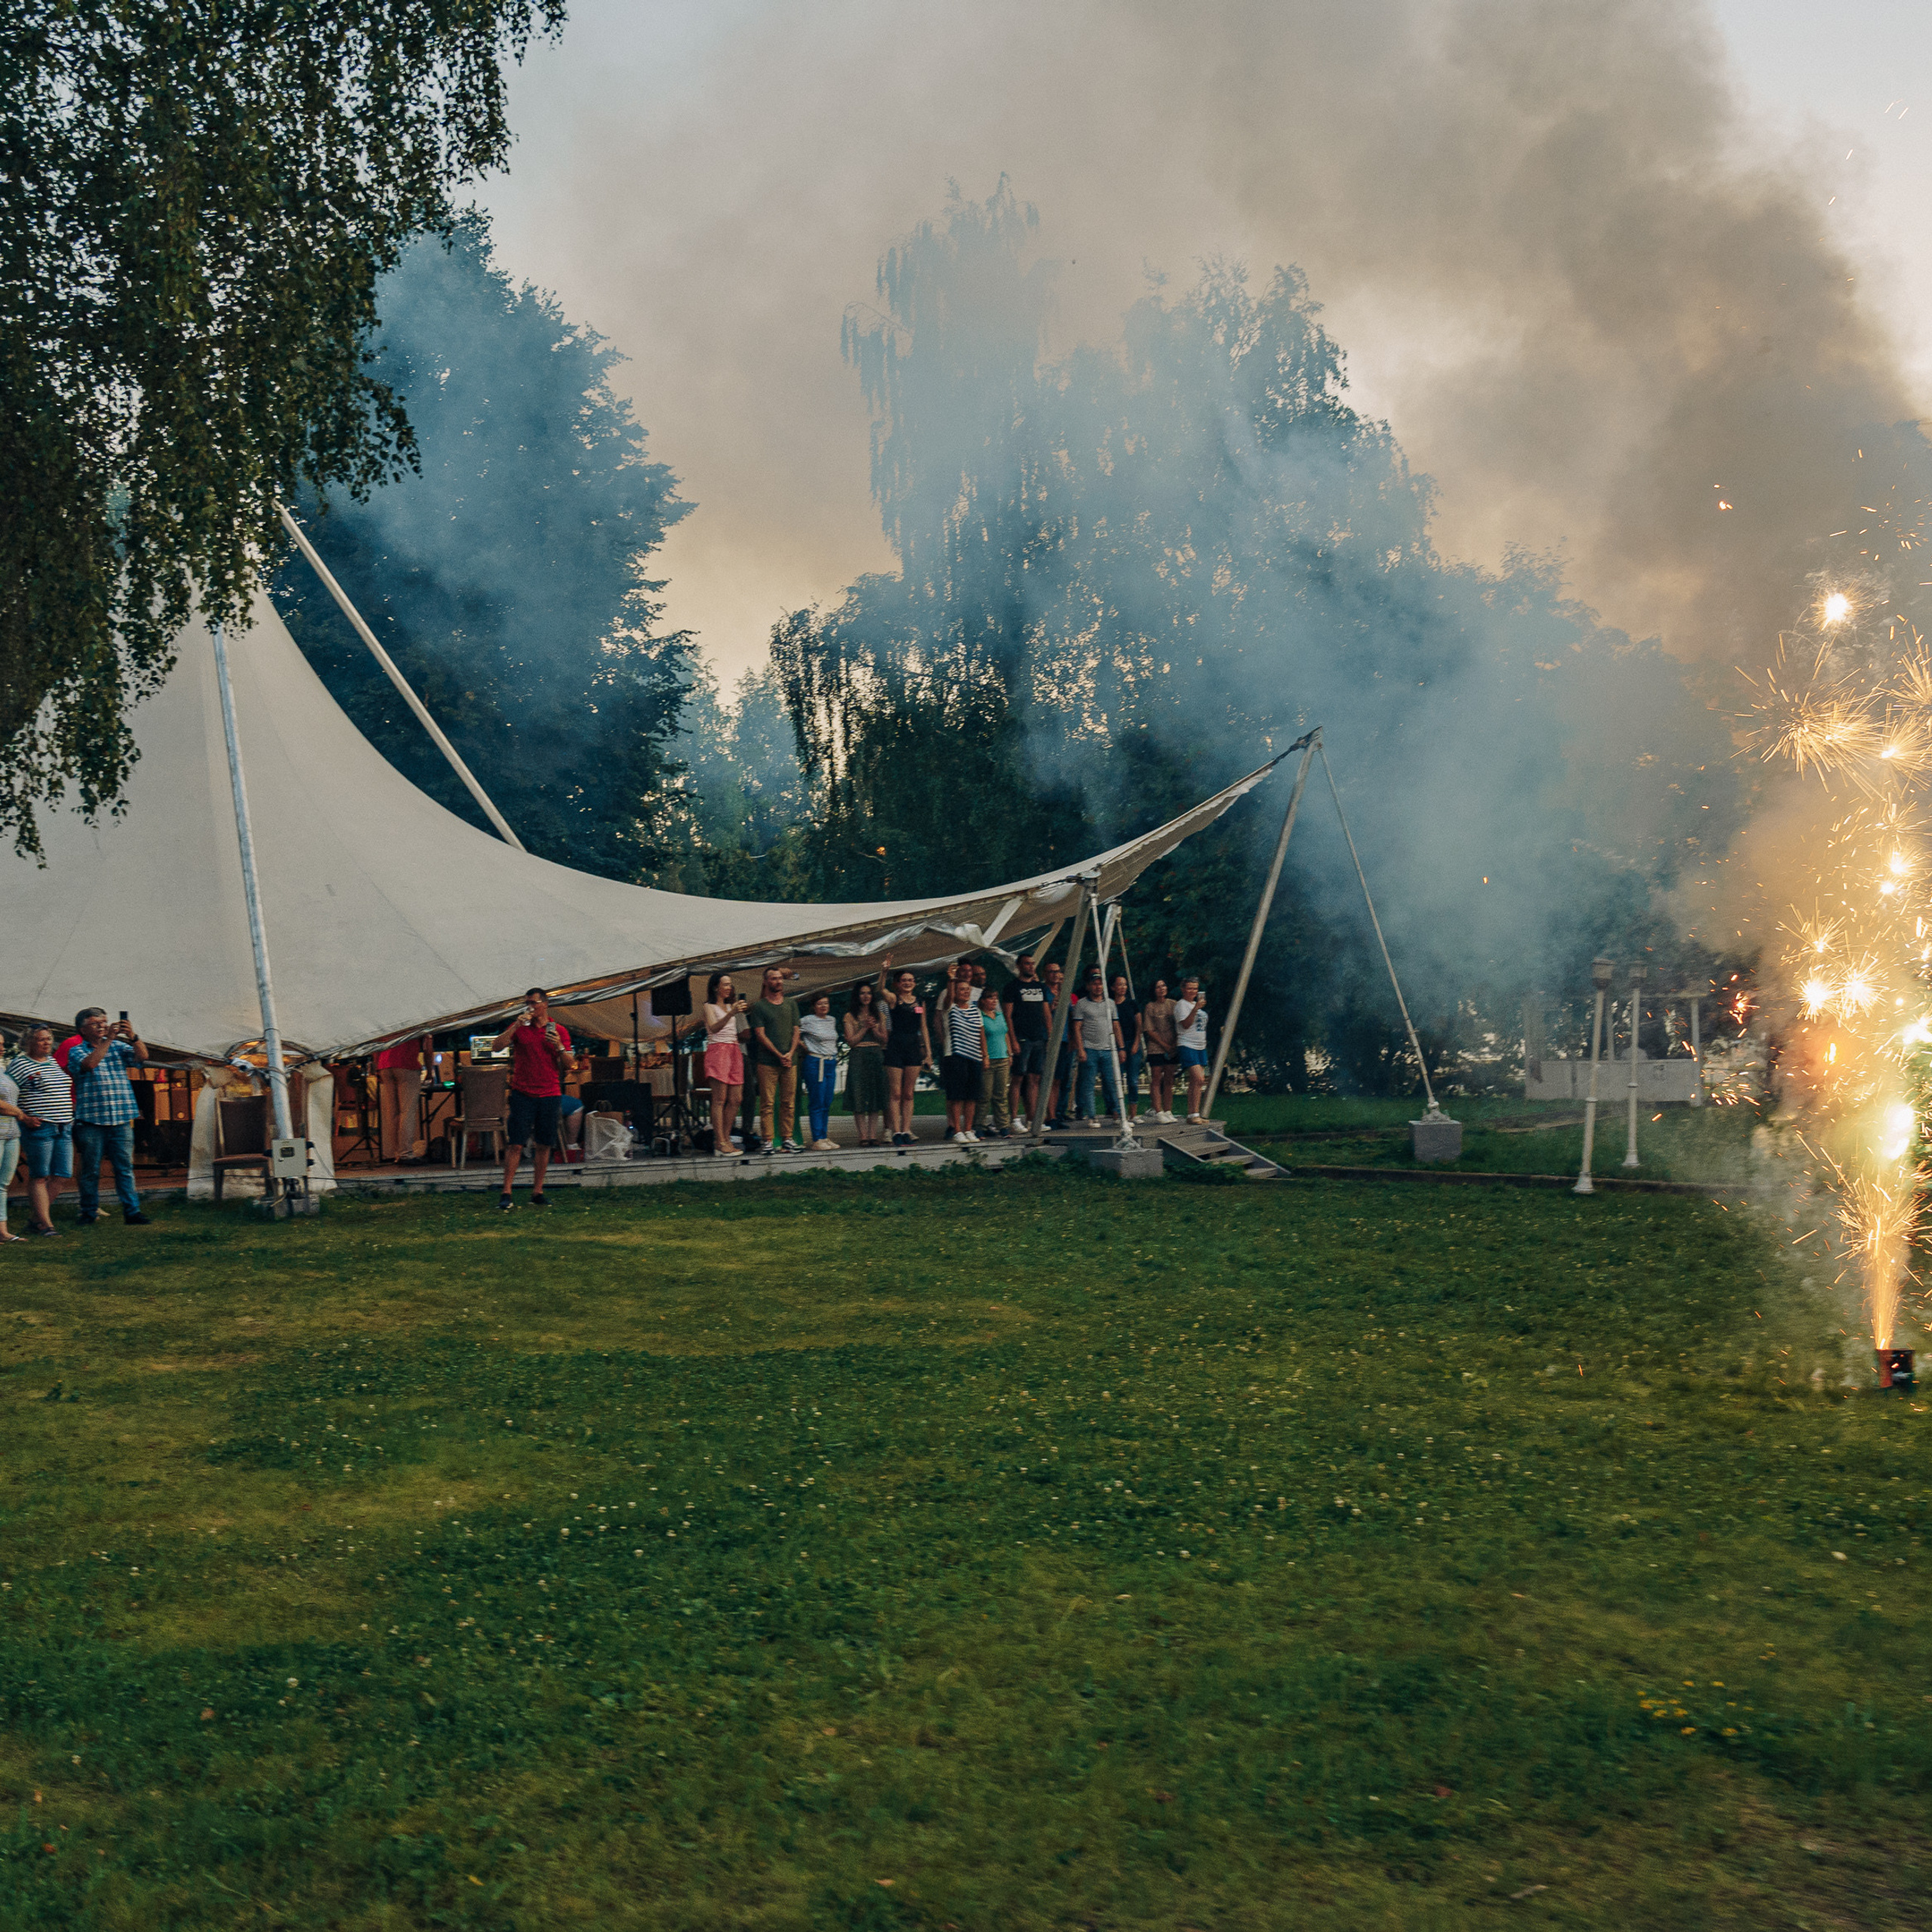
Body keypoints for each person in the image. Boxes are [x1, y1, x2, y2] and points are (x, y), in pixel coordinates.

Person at [63, 1008, 153, 1226]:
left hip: (120, 1117)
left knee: (124, 1168)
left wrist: (134, 1037)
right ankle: (88, 1212)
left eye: (104, 1022)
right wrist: (109, 1038)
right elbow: (90, 1064)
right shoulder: (76, 1050)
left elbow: (142, 1057)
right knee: (91, 1170)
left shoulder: (119, 1046)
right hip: (91, 1120)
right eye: (96, 1024)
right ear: (82, 1029)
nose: (102, 1026)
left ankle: (132, 1212)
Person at [491, 988, 572, 1210]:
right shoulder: (521, 1028)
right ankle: (506, 1191)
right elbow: (496, 1046)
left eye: (534, 1003)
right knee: (516, 1143)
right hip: (523, 1093)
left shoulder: (559, 1031)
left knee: (544, 1144)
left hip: (549, 1093)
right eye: (527, 1003)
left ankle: (538, 1191)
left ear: (545, 1004)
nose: (530, 1008)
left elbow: (570, 1064)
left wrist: (559, 1046)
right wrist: (516, 1026)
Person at [5, 1025, 73, 1236]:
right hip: (40, 1126)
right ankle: (46, 1224)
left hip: (64, 1125)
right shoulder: (19, 1065)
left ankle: (36, 1219)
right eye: (41, 1039)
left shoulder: (52, 1062)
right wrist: (23, 1116)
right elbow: (8, 1093)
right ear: (28, 1042)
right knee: (40, 1175)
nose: (46, 1043)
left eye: (49, 1039)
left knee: (62, 1174)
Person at [746, 966, 803, 1154]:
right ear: (766, 981)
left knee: (789, 1101)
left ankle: (787, 1139)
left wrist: (790, 1053)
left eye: (779, 978)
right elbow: (760, 1035)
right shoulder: (760, 1006)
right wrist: (779, 1054)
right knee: (767, 1102)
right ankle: (768, 1140)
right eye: (773, 979)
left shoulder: (791, 1004)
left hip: (790, 1061)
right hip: (767, 1062)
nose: (777, 982)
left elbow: (796, 1030)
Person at [880, 963, 932, 1146]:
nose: (908, 983)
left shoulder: (920, 1001)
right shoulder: (894, 999)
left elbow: (923, 1027)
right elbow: (881, 990)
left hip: (913, 1047)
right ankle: (897, 1131)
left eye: (911, 980)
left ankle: (907, 1129)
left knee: (909, 1093)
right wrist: (885, 971)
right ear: (898, 983)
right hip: (896, 1046)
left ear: (914, 983)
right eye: (904, 980)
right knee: (896, 1092)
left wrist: (928, 1053)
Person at [701, 972, 749, 1157]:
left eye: (730, 985)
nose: (729, 988)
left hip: (734, 1050)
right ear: (716, 987)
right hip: (718, 1050)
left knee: (736, 1098)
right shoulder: (709, 1006)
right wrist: (731, 1013)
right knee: (719, 1099)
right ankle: (719, 1141)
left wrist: (733, 1010)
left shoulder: (731, 1006)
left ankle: (726, 1139)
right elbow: (713, 1028)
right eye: (725, 984)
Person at [1003, 952, 1051, 1133]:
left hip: (1038, 1037)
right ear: (1019, 966)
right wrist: (1013, 1040)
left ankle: (1033, 1119)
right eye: (1027, 964)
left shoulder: (1040, 987)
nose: (1031, 967)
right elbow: (1008, 1016)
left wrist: (1050, 1035)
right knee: (1018, 1077)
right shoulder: (1012, 987)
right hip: (1022, 1038)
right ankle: (1014, 1118)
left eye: (1033, 964)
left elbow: (1046, 1013)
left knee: (1034, 1078)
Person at [1072, 968, 1123, 1124]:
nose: (1098, 987)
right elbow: (1077, 1028)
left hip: (1108, 1049)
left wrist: (1121, 1048)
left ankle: (1118, 1114)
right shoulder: (1081, 1004)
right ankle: (1092, 1116)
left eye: (1100, 984)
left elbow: (1116, 1026)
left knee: (1113, 1082)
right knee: (1089, 1083)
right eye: (1094, 984)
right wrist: (1080, 1049)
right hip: (1090, 1048)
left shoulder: (1110, 1003)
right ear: (1088, 986)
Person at [843, 981, 889, 1146]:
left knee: (876, 1095)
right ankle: (862, 1135)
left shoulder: (879, 1015)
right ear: (857, 996)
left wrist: (875, 1028)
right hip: (859, 1055)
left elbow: (884, 1039)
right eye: (862, 993)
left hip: (876, 1054)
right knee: (859, 1095)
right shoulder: (850, 1016)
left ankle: (872, 1134)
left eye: (869, 993)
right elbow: (851, 1042)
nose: (866, 996)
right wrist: (864, 1028)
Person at [941, 977, 987, 1143]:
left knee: (972, 1095)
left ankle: (969, 1129)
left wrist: (985, 1055)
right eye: (962, 989)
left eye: (967, 989)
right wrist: (951, 980)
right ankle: (957, 1130)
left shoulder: (976, 1010)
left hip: (974, 1056)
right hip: (955, 1056)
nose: (965, 992)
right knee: (957, 1095)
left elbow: (981, 1033)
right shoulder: (950, 1008)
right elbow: (947, 1000)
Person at [375, 1032, 430, 1163]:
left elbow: (376, 1042)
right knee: (407, 1111)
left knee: (393, 1112)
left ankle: (398, 1153)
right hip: (406, 1064)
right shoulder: (421, 1017)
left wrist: (377, 1067)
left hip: (384, 1065)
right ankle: (406, 1153)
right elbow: (428, 1047)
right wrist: (429, 1071)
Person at [798, 990, 841, 1150]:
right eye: (820, 1004)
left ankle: (824, 1135)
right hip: (816, 1061)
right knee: (817, 1100)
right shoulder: (808, 1020)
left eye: (826, 1003)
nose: (823, 1006)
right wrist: (805, 1048)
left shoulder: (831, 1020)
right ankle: (817, 1138)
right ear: (814, 1006)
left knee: (827, 1100)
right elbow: (794, 1033)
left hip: (830, 1061)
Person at [1140, 978, 1180, 1122]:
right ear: (1153, 990)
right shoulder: (1150, 1007)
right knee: (1156, 1077)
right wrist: (1164, 1045)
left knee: (1169, 1078)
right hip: (1156, 1047)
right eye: (1158, 987)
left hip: (1173, 1045)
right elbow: (1149, 1030)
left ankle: (1168, 1110)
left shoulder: (1173, 1004)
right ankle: (1158, 1111)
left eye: (1163, 985)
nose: (1161, 989)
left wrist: (1173, 1045)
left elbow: (1179, 1025)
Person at [1176, 975, 1211, 1122]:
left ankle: (1194, 1113)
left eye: (1195, 989)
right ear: (1183, 989)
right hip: (1187, 1044)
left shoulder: (1196, 1005)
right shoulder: (1181, 1005)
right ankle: (1192, 1113)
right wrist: (1196, 1008)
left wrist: (1197, 1007)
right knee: (1198, 1077)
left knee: (1198, 1082)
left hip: (1200, 1046)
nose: (1193, 991)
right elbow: (1185, 1024)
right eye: (1189, 988)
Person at [978, 988, 1012, 1135]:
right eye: (990, 998)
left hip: (1002, 1057)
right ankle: (979, 1125)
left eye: (995, 998)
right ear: (983, 1000)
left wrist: (1009, 1052)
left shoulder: (999, 1015)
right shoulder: (980, 1016)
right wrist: (984, 1056)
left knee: (1001, 1094)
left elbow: (1005, 1033)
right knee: (985, 1094)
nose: (994, 1001)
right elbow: (982, 1037)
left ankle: (1003, 1125)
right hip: (988, 1059)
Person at [1112, 974, 1144, 1124]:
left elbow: (1139, 1025)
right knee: (1117, 1079)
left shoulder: (1132, 1004)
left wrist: (1137, 1043)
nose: (1123, 987)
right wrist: (1120, 1047)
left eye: (1125, 984)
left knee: (1133, 1080)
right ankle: (1118, 1114)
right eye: (1120, 984)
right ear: (1113, 987)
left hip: (1133, 1042)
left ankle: (1133, 1114)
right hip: (1117, 1045)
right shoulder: (1111, 1005)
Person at [0, 1038, 23, 1242]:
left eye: (2, 1043)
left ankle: (2, 1231)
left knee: (3, 1184)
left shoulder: (4, 1070)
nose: (2, 1048)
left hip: (11, 1134)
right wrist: (19, 1113)